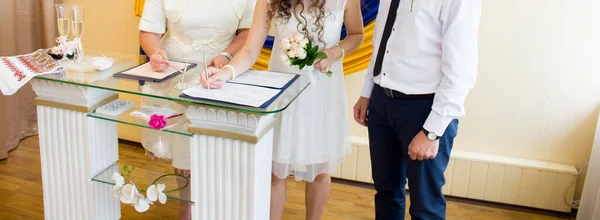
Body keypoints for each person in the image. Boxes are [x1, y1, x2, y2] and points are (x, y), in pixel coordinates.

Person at [199, 0, 364, 218]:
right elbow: (249, 50)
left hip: (323, 93)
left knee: (320, 170)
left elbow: (357, 35)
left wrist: (334, 53)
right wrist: (226, 73)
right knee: (275, 171)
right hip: (282, 90)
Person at [352, 0, 481, 219]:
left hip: (424, 110)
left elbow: (461, 71)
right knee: (386, 193)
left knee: (425, 206)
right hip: (381, 101)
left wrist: (433, 131)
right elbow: (383, 43)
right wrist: (367, 91)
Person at [138, 0, 256, 219]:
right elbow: (148, 31)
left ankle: (219, 206)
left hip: (222, 72)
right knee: (183, 145)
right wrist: (155, 53)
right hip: (176, 72)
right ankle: (187, 207)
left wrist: (228, 55)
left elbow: (249, 31)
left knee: (220, 148)